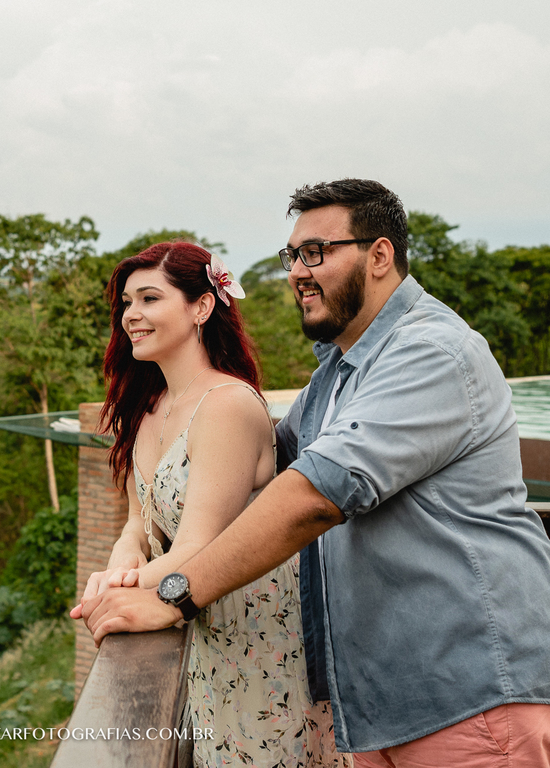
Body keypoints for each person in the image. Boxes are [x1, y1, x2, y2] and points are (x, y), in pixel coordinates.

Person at [80, 180, 550, 767]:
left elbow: (312, 496)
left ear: (380, 255)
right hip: (385, 703)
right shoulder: (339, 373)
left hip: (477, 690)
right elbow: (251, 470)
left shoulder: (430, 351)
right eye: (292, 255)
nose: (298, 271)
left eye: (317, 252)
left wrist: (175, 595)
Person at [70, 241, 350, 767]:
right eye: (127, 303)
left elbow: (200, 546)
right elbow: (138, 521)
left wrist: (115, 591)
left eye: (150, 299)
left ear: (201, 307)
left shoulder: (226, 406)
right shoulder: (145, 407)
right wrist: (120, 563)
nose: (132, 315)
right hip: (202, 623)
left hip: (257, 629)